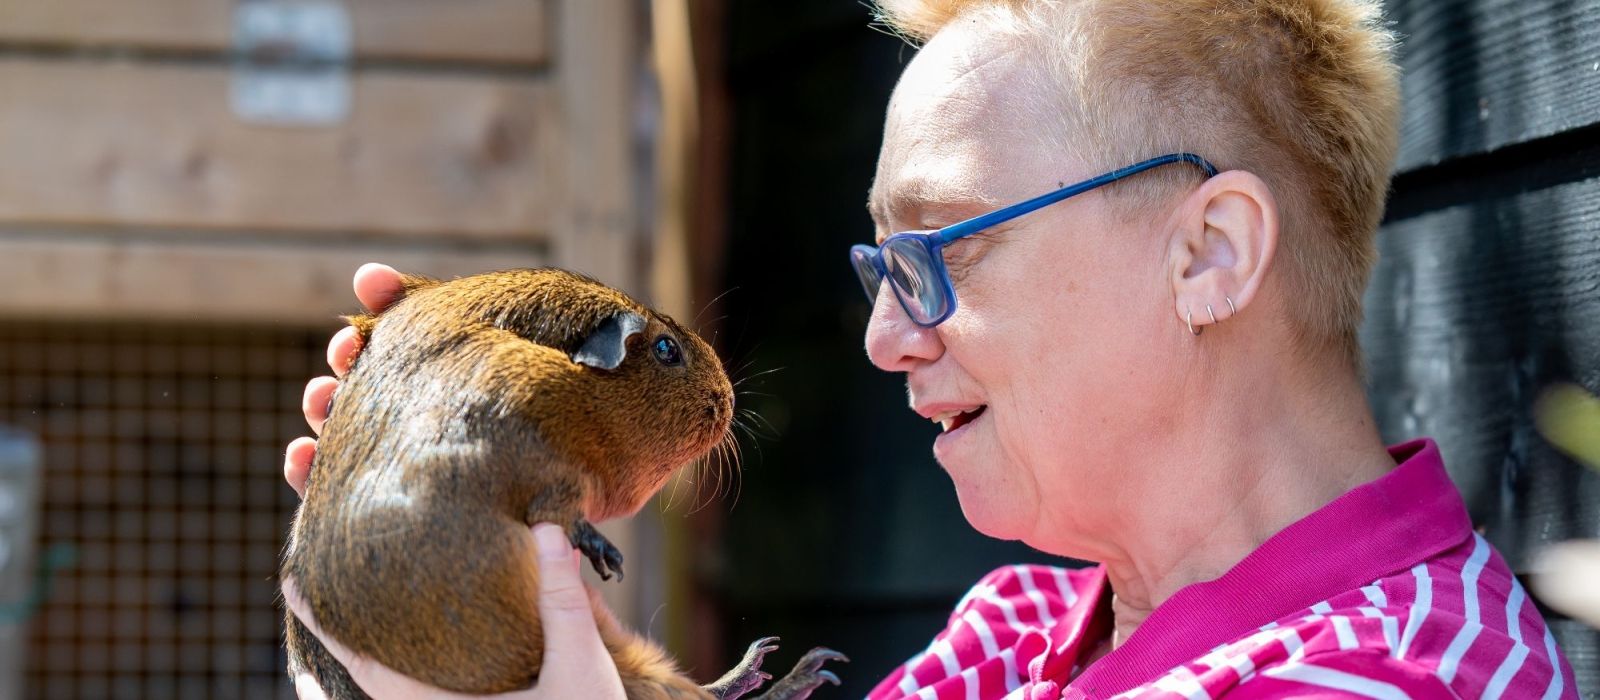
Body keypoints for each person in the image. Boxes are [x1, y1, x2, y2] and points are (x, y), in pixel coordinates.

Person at [282, 0, 1582, 697]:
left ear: (1208, 255)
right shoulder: (1016, 637)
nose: (885, 337)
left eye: (944, 249)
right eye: (878, 267)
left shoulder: (1374, 682)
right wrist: (472, 603)